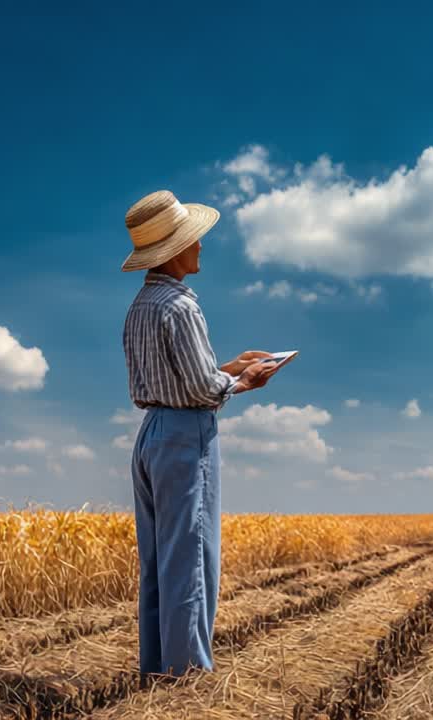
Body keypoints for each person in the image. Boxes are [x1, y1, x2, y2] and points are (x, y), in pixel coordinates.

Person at [119, 189, 281, 678]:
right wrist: (245, 379)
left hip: (151, 435)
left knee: (158, 562)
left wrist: (226, 367)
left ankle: (157, 672)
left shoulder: (141, 307)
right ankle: (188, 680)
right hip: (186, 436)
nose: (201, 247)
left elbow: (174, 377)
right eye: (194, 240)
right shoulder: (183, 308)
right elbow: (202, 390)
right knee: (191, 560)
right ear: (172, 250)